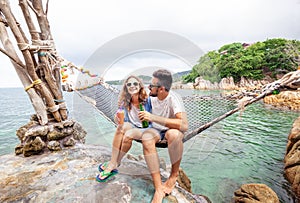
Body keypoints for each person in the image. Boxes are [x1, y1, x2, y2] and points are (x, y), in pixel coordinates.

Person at [138, 69, 188, 203]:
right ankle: (158, 187)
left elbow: (184, 125)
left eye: (151, 86)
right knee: (147, 138)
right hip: (155, 130)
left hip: (169, 130)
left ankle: (173, 175)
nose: (149, 88)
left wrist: (153, 117)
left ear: (161, 89)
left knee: (174, 134)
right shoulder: (149, 98)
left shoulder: (174, 98)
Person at [96, 75, 152, 182]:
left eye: (135, 84)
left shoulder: (147, 99)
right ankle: (114, 162)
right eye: (129, 84)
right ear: (126, 87)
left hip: (146, 129)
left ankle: (113, 163)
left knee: (126, 136)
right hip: (132, 126)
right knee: (121, 128)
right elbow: (120, 119)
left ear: (140, 86)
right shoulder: (124, 101)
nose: (132, 86)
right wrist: (117, 119)